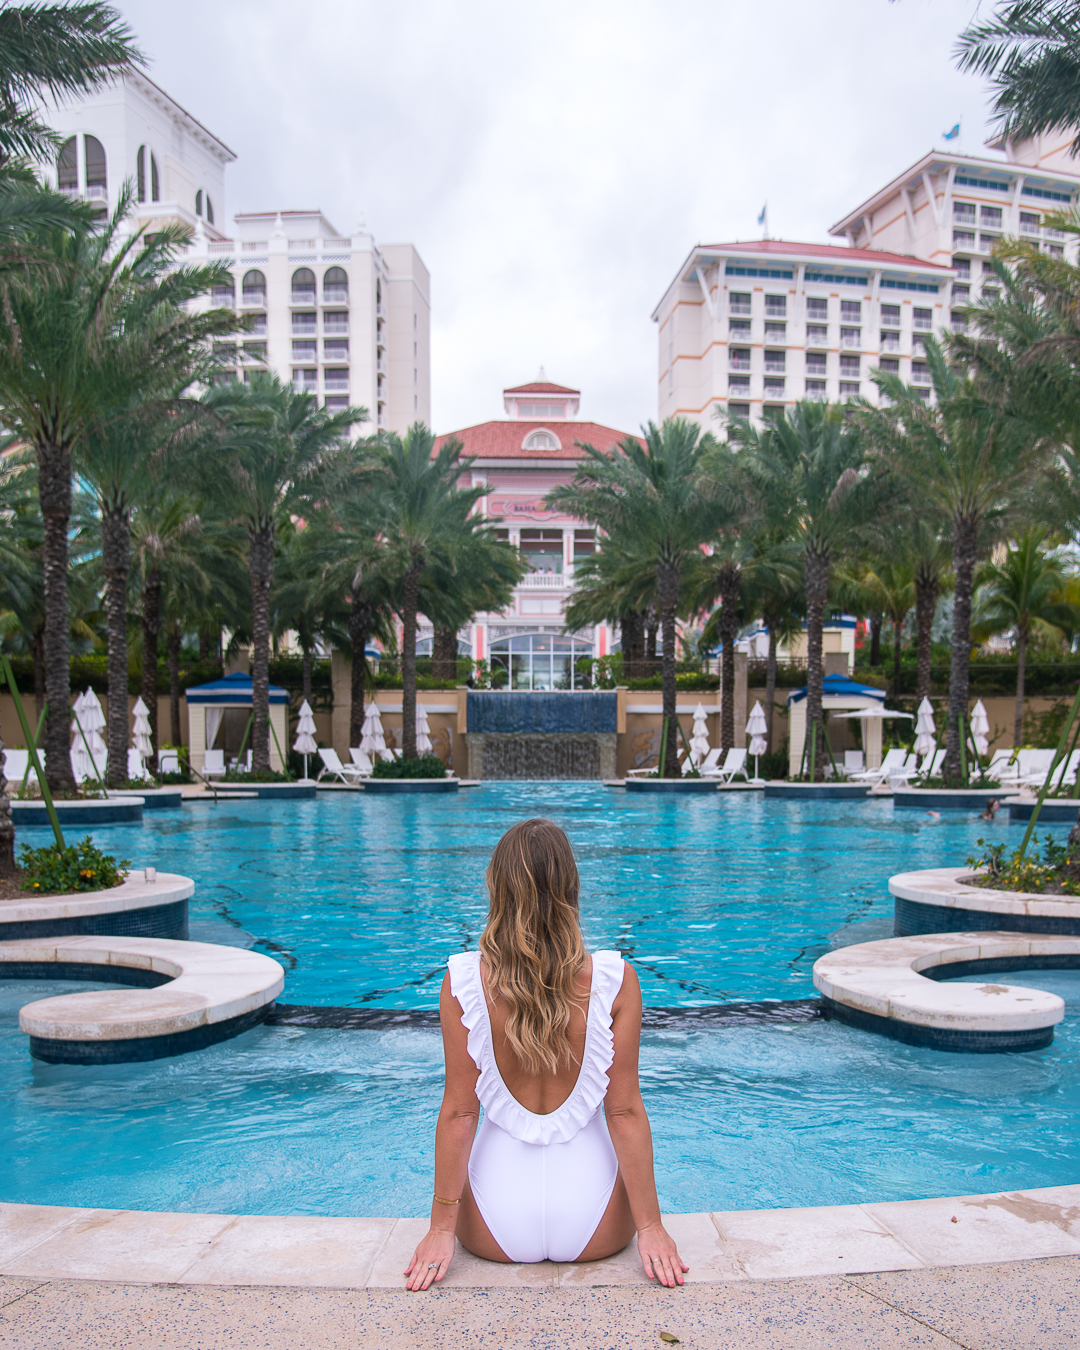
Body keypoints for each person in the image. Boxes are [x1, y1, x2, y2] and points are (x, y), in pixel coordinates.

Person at [405, 818, 687, 1291]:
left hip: (496, 1228)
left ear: (496, 888)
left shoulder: (462, 982)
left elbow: (459, 1112)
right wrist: (652, 1228)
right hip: (593, 1224)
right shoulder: (617, 981)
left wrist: (439, 1231)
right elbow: (624, 1111)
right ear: (571, 889)